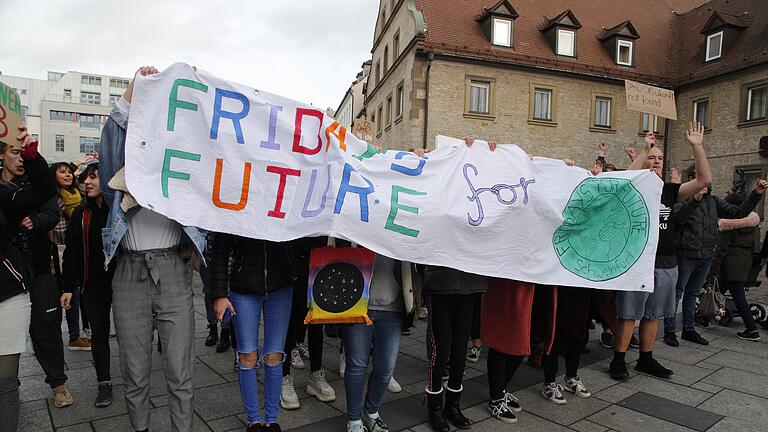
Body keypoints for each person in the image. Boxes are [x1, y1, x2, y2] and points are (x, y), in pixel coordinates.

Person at [99, 66, 206, 432]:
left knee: (180, 373)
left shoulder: (180, 161)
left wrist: (195, 244)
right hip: (129, 272)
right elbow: (112, 134)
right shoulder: (121, 168)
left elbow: (209, 193)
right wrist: (134, 88)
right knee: (134, 373)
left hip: (173, 272)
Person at [610, 124, 713, 381]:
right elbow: (619, 180)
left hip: (666, 261)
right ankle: (618, 360)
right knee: (629, 313)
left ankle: (646, 358)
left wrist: (697, 146)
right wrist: (644, 150)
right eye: (651, 158)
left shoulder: (668, 190)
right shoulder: (633, 187)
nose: (655, 162)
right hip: (637, 259)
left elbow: (704, 181)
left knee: (653, 313)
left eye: (659, 158)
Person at [1, 128, 73, 408]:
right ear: (2, 155)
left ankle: (58, 384)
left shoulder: (35, 181)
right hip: (8, 277)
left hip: (40, 269)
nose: (20, 160)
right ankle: (9, 387)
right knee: (8, 335)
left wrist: (37, 221)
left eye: (23, 154)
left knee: (47, 329)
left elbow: (51, 210)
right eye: (15, 153)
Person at [211, 233, 295, 432]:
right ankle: (254, 421)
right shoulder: (237, 202)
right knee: (247, 355)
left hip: (281, 284)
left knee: (275, 355)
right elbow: (220, 248)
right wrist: (219, 294)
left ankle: (271, 420)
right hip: (244, 287)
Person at [664, 181, 763, 347]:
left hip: (705, 257)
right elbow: (676, 218)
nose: (704, 185)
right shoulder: (684, 200)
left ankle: (688, 329)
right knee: (677, 293)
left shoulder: (714, 201)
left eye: (706, 182)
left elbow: (738, 212)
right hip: (685, 255)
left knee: (692, 293)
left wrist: (756, 193)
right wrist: (694, 200)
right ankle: (669, 331)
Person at [0, 127, 54, 431]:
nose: (18, 159)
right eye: (15, 153)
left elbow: (43, 193)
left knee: (5, 382)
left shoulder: (5, 192)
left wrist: (31, 152)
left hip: (8, 293)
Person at [60, 163, 117, 407]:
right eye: (86, 179)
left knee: (130, 334)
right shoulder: (81, 214)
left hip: (122, 282)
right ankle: (104, 382)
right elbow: (72, 252)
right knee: (100, 334)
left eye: (95, 177)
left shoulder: (119, 212)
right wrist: (67, 287)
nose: (88, 182)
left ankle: (138, 379)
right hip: (92, 284)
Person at [342, 255, 416, 432]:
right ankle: (354, 420)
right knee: (356, 365)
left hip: (393, 306)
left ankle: (371, 412)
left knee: (386, 368)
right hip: (358, 301)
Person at [281, 237, 336, 411]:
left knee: (317, 318)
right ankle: (284, 376)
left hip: (319, 255)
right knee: (290, 318)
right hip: (291, 257)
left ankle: (316, 374)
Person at [49, 161, 92, 351]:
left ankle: (86, 330)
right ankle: (74, 336)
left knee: (82, 291)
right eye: (62, 172)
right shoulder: (54, 198)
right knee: (70, 292)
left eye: (69, 172)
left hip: (81, 245)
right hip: (60, 247)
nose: (67, 175)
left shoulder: (80, 194)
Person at [713, 192, 762, 341]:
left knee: (736, 297)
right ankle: (705, 315)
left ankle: (752, 329)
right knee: (718, 292)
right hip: (743, 263)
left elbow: (722, 248)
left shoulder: (729, 224)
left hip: (730, 264)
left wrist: (715, 266)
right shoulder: (750, 225)